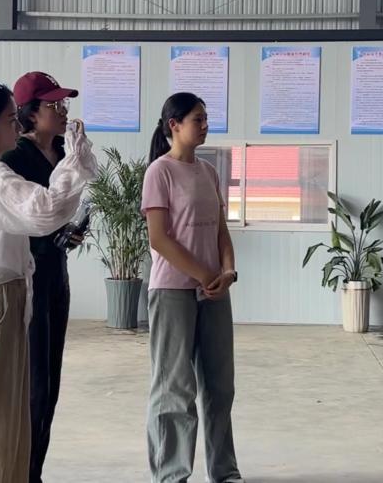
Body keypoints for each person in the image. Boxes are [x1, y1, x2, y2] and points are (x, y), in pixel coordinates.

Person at [0, 79, 97, 483]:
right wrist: (75, 162)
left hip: (7, 295)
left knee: (8, 422)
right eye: (10, 119)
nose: (16, 126)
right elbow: (43, 210)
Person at [142, 92, 244, 483]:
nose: (205, 125)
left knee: (220, 386)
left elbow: (221, 231)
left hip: (215, 291)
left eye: (205, 118)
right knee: (174, 388)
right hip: (172, 292)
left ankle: (225, 472)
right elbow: (159, 238)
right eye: (197, 119)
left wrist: (228, 272)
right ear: (174, 125)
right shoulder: (160, 172)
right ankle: (171, 474)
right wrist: (204, 274)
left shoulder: (208, 172)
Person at [0, 71, 84, 482]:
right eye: (55, 104)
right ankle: (22, 471)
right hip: (28, 277)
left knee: (50, 381)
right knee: (32, 383)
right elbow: (19, 218)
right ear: (31, 113)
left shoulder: (65, 152)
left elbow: (58, 211)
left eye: (64, 104)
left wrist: (69, 232)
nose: (63, 110)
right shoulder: (13, 161)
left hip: (57, 275)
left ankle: (35, 471)